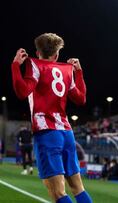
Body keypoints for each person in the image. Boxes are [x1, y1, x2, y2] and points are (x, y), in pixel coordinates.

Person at [11, 33, 92, 203]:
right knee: (78, 188)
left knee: (58, 193)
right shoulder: (67, 70)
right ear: (56, 55)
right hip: (66, 133)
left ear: (37, 52)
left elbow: (22, 91)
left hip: (47, 133)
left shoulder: (35, 65)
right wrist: (79, 72)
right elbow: (81, 98)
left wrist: (15, 65)